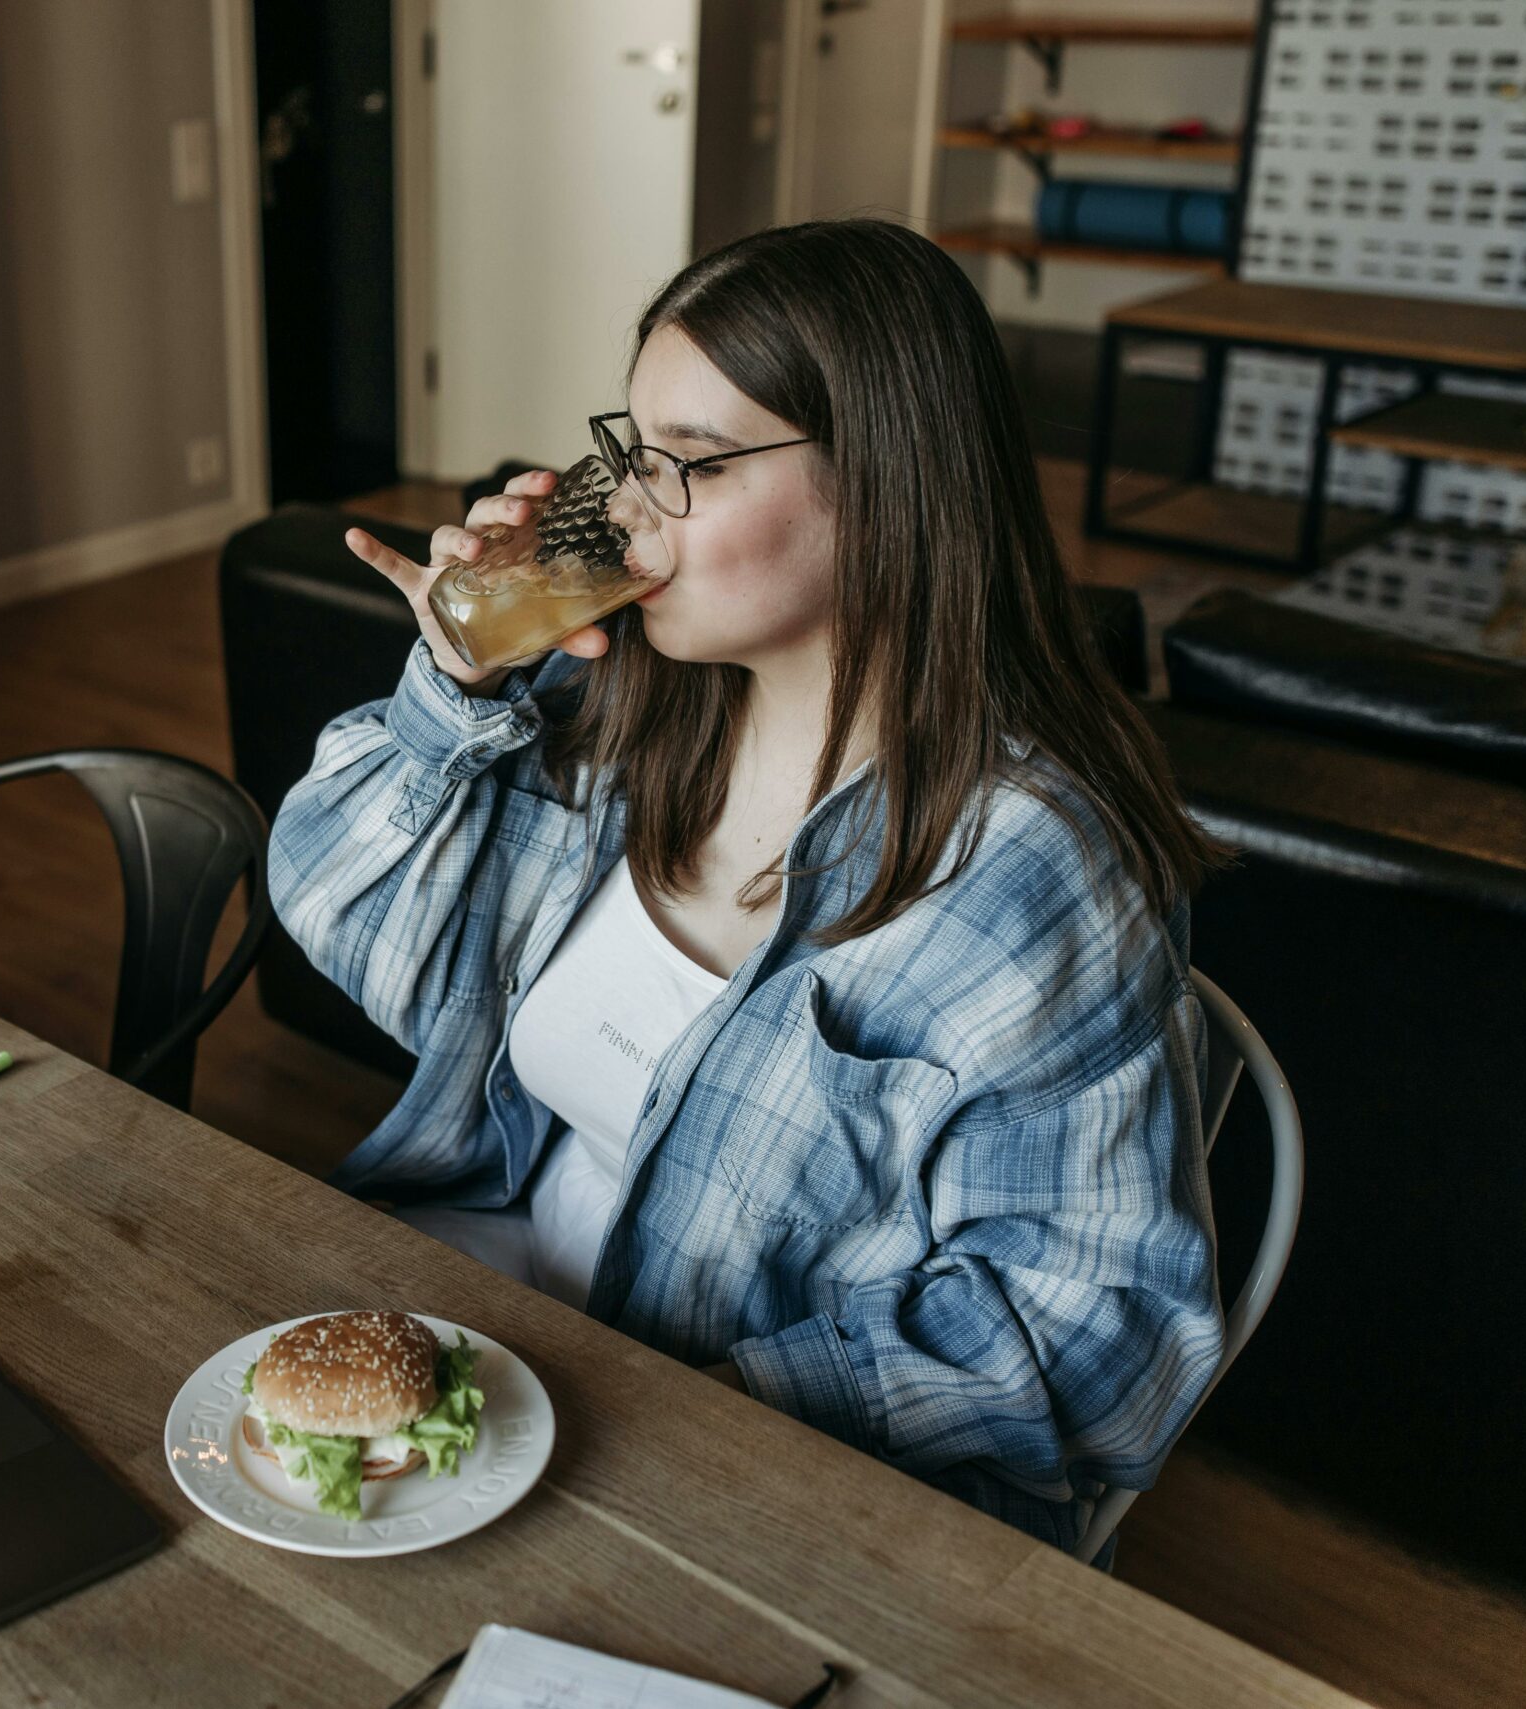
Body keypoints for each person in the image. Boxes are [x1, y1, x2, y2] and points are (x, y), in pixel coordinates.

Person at [268, 219, 1227, 1558]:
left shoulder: (1027, 875)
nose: (631, 510)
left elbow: (1088, 1339)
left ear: (888, 483)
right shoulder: (603, 713)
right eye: (632, 454)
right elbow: (333, 914)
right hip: (498, 1356)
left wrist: (668, 1417)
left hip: (763, 1483)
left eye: (695, 465)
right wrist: (453, 690)